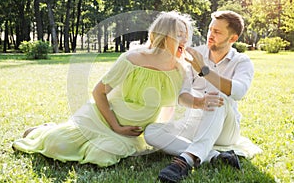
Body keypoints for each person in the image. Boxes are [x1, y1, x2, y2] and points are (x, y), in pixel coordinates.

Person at [12, 11, 193, 167]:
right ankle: (43, 131)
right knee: (55, 146)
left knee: (101, 158)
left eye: (186, 35)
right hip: (101, 119)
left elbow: (169, 106)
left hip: (128, 135)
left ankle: (90, 144)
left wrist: (158, 136)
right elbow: (99, 92)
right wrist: (116, 126)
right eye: (179, 35)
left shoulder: (180, 70)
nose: (184, 40)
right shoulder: (132, 58)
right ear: (162, 35)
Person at [144, 10, 260, 182]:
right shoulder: (194, 55)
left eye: (217, 32)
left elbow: (238, 91)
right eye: (210, 29)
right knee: (151, 132)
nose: (210, 35)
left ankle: (185, 161)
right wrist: (198, 102)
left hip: (226, 130)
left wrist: (204, 70)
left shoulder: (241, 61)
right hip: (194, 123)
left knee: (218, 93)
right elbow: (182, 96)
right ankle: (213, 156)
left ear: (233, 39)